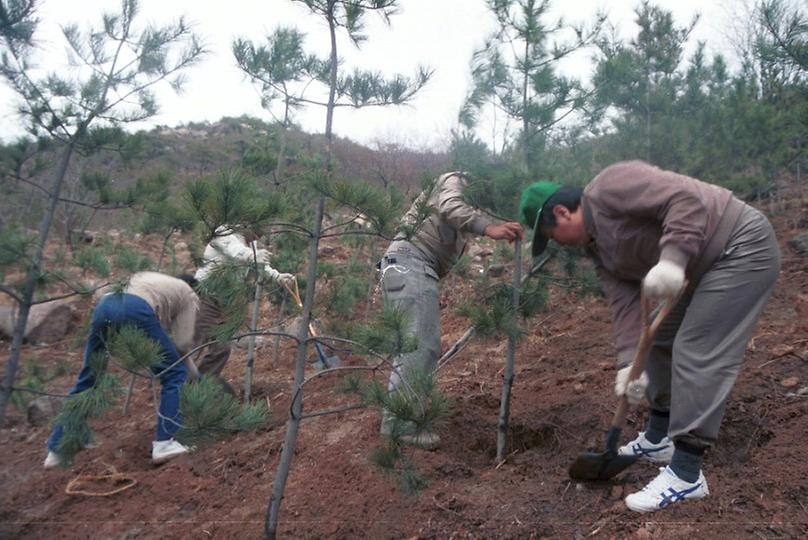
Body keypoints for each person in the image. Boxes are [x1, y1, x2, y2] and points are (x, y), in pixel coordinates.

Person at [519, 160, 780, 513]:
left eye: (551, 237)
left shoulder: (610, 186)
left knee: (696, 347)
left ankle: (687, 474)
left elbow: (686, 200)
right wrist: (629, 365)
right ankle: (659, 437)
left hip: (739, 245)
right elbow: (625, 307)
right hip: (701, 268)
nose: (558, 245)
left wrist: (672, 259)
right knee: (657, 341)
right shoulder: (598, 252)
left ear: (563, 213)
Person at [380, 171, 523, 449]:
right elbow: (450, 208)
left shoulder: (459, 191)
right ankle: (401, 426)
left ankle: (400, 421)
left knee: (414, 346)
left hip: (406, 264)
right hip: (411, 263)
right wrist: (489, 228)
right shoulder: (456, 179)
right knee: (421, 346)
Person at [44, 271, 200, 468]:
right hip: (135, 308)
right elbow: (182, 344)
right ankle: (165, 443)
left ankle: (57, 450)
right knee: (175, 373)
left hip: (104, 305)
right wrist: (195, 375)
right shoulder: (189, 294)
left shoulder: (155, 280)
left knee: (89, 378)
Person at [192, 225, 295, 393]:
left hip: (224, 302)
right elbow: (235, 251)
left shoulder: (250, 243)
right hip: (203, 297)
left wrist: (277, 277)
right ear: (245, 222)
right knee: (192, 344)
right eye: (257, 230)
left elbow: (258, 263)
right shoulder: (223, 232)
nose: (258, 236)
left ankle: (198, 390)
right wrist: (252, 256)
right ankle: (174, 384)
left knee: (221, 349)